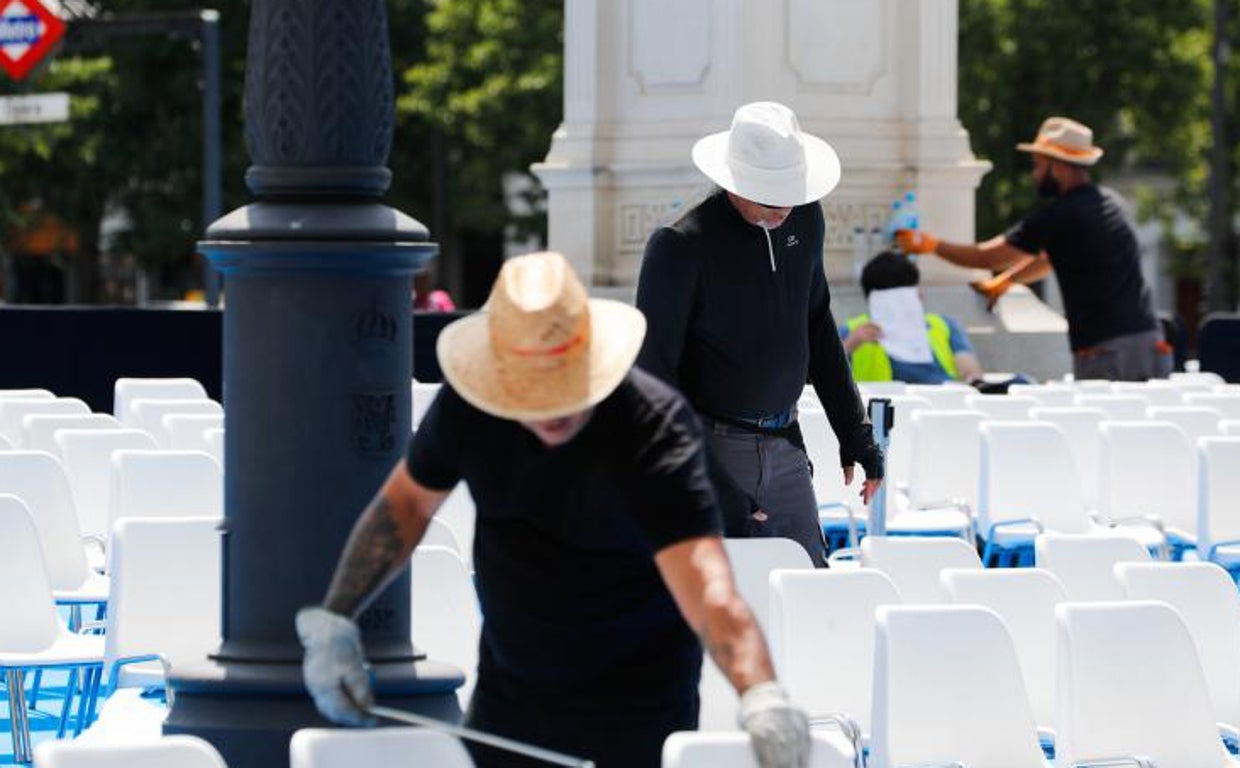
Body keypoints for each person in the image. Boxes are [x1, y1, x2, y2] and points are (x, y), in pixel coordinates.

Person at [296, 251, 811, 768]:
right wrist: (336, 618)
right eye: (530, 394)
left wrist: (759, 690)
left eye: (562, 391)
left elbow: (706, 583)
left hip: (638, 706)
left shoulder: (653, 427)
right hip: (511, 700)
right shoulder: (471, 406)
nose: (551, 413)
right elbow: (405, 505)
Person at [635, 101, 883, 565]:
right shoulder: (680, 244)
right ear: (733, 181)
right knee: (725, 609)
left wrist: (854, 431)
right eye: (769, 198)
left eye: (790, 193)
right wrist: (706, 476)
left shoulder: (805, 218)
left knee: (806, 586)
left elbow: (818, 322)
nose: (782, 210)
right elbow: (652, 379)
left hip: (785, 443)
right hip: (710, 446)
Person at [897, 116, 1171, 381]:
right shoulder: (1110, 203)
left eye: (1039, 166)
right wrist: (1007, 282)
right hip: (1149, 343)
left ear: (1060, 167)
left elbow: (987, 257)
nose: (1035, 174)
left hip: (1107, 353)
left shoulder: (1060, 215)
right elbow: (1052, 258)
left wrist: (931, 245)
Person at [841, 251, 985, 385]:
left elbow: (969, 370)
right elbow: (823, 374)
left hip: (941, 402)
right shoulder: (851, 332)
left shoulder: (945, 325)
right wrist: (849, 345)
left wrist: (972, 378)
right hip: (880, 406)